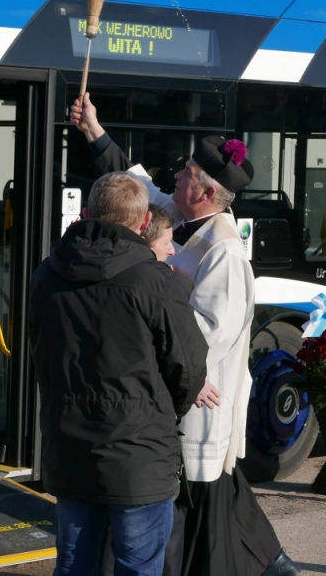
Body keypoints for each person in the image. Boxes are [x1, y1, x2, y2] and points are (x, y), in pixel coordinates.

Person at [71, 93, 301, 576]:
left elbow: (206, 333)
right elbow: (133, 188)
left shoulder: (225, 252)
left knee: (190, 511)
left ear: (206, 192)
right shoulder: (180, 216)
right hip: (172, 398)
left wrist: (158, 360)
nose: (175, 175)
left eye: (187, 174)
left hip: (194, 402)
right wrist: (94, 131)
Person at [29, 171, 209, 576]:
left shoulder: (47, 274)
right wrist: (165, 412)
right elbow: (190, 364)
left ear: (89, 213)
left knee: (75, 564)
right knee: (137, 566)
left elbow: (39, 353)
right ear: (145, 222)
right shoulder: (154, 280)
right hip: (139, 452)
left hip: (70, 444)